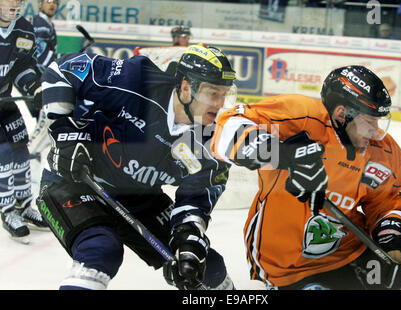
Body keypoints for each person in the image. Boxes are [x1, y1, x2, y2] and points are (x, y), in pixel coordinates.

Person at [37, 44, 237, 290]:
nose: (219, 104)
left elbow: (194, 200)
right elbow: (63, 68)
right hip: (74, 182)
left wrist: (188, 243)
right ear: (186, 88)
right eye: (212, 93)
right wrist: (66, 133)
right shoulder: (135, 80)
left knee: (208, 267)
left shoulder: (210, 143)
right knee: (100, 249)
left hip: (138, 195)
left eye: (224, 94)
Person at [211, 65, 401, 290]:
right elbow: (227, 126)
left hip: (351, 252)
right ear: (342, 114)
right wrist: (283, 154)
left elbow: (390, 204)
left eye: (378, 122)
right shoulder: (302, 116)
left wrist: (394, 244)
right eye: (369, 122)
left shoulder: (384, 152)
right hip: (286, 266)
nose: (375, 131)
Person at [0, 0, 48, 244]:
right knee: (4, 153)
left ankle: (23, 203)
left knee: (20, 148)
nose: (14, 3)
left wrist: (35, 86)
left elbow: (22, 66)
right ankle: (6, 209)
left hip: (5, 102)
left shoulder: (24, 30)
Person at [27, 0, 58, 160]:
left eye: (55, 2)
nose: (52, 4)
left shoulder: (46, 24)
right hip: (36, 79)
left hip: (38, 77)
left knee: (45, 118)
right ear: (40, 5)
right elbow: (40, 55)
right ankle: (28, 153)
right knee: (45, 120)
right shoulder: (40, 24)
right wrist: (58, 66)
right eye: (47, 1)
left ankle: (33, 152)